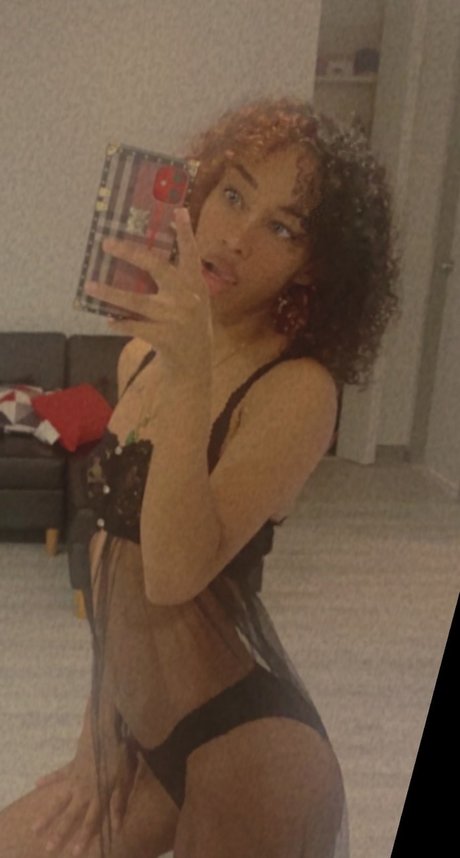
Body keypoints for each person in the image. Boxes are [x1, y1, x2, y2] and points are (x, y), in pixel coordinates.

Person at [0, 96, 400, 858]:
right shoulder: (139, 358)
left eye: (282, 228)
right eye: (234, 195)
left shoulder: (298, 390)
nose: (236, 236)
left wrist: (191, 367)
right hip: (141, 741)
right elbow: (111, 567)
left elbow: (174, 571)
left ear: (312, 266)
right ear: (203, 189)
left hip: (250, 754)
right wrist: (95, 737)